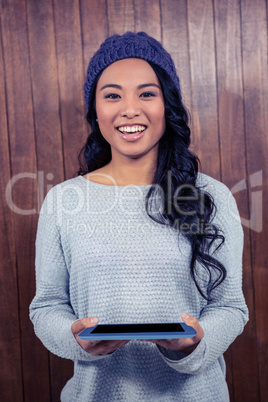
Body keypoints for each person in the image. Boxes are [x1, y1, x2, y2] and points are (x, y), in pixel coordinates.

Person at [30, 32, 248, 401]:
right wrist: (74, 339)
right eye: (112, 95)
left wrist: (193, 344)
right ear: (95, 110)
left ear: (168, 105)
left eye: (147, 93)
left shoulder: (211, 197)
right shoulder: (63, 200)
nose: (130, 108)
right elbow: (47, 307)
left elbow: (229, 307)